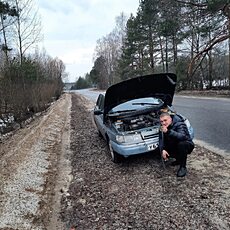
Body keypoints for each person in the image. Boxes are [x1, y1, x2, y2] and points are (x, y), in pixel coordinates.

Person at [159, 112, 194, 177]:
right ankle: (178, 160)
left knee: (182, 144)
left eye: (165, 120)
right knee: (167, 150)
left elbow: (183, 137)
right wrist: (163, 149)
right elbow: (161, 140)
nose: (163, 123)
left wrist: (168, 132)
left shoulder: (180, 124)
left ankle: (183, 167)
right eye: (161, 121)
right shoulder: (162, 127)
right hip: (174, 144)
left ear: (170, 119)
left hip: (187, 145)